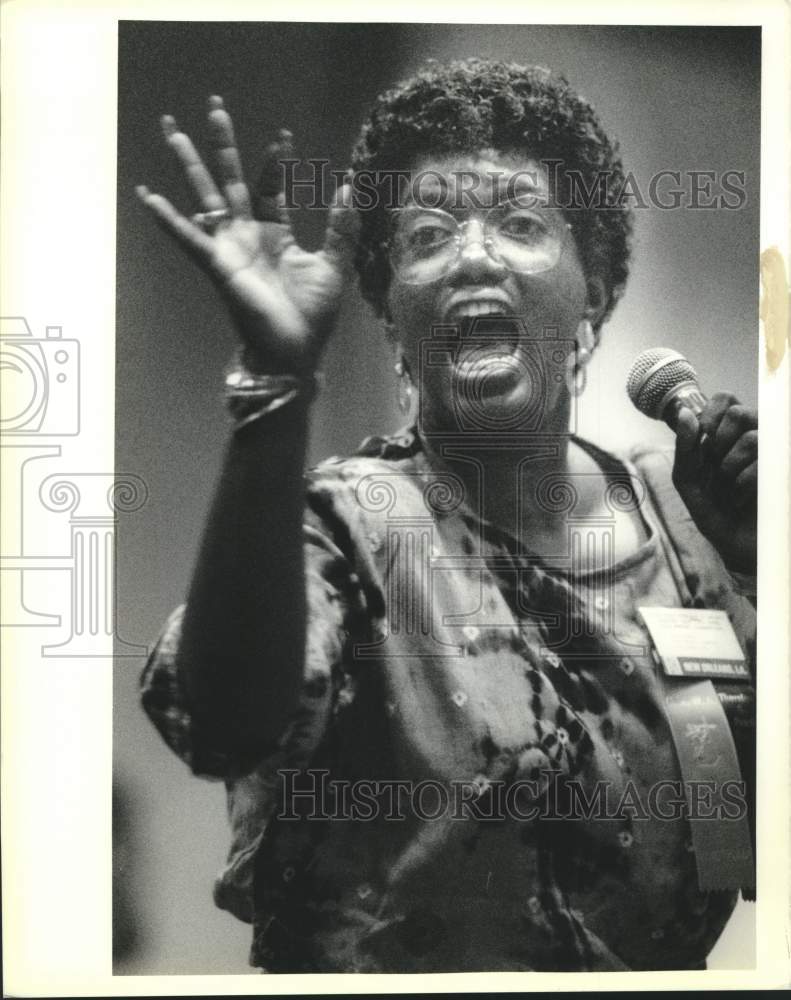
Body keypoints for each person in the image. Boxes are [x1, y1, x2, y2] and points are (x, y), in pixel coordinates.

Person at [137, 59, 757, 972]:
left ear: (593, 286)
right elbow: (223, 724)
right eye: (428, 233)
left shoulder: (682, 518)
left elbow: (755, 830)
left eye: (518, 222)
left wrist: (757, 572)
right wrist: (274, 395)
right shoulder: (349, 524)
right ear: (391, 312)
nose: (472, 253)